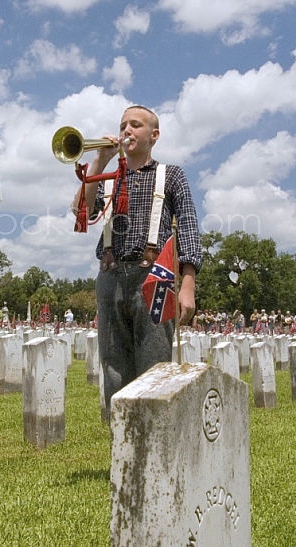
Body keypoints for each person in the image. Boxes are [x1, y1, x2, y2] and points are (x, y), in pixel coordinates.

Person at [72, 105, 201, 413]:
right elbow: (82, 213)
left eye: (135, 125)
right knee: (113, 366)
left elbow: (188, 227)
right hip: (110, 275)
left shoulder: (171, 175)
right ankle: (123, 447)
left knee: (154, 366)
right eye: (123, 125)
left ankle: (156, 447)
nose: (126, 130)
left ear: (153, 136)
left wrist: (188, 284)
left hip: (152, 277)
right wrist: (100, 160)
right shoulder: (106, 176)